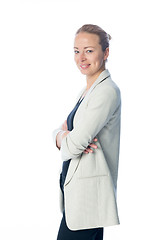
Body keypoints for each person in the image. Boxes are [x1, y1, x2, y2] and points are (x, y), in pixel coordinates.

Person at [52, 24, 121, 240]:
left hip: (88, 200)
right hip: (78, 197)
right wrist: (62, 136)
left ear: (106, 53)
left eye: (89, 50)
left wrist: (65, 138)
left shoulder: (106, 92)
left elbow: (72, 146)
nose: (81, 58)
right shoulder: (88, 91)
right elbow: (63, 132)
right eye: (76, 51)